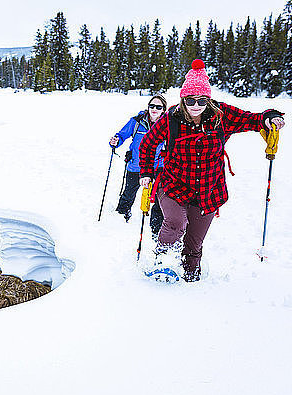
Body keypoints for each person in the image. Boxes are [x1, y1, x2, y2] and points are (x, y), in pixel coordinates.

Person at [138, 59, 285, 282]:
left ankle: (191, 278)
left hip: (208, 190)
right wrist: (146, 173)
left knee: (194, 243)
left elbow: (252, 120)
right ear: (183, 99)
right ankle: (163, 261)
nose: (196, 105)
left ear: (208, 99)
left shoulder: (221, 116)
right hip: (173, 184)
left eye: (202, 100)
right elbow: (147, 144)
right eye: (190, 100)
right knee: (176, 223)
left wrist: (269, 117)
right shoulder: (171, 119)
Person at [109, 95, 166, 235]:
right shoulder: (136, 122)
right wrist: (116, 141)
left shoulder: (167, 125)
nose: (154, 109)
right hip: (136, 166)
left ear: (163, 109)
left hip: (158, 168)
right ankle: (120, 220)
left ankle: (156, 230)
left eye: (158, 107)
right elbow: (122, 135)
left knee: (159, 201)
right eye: (152, 106)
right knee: (128, 195)